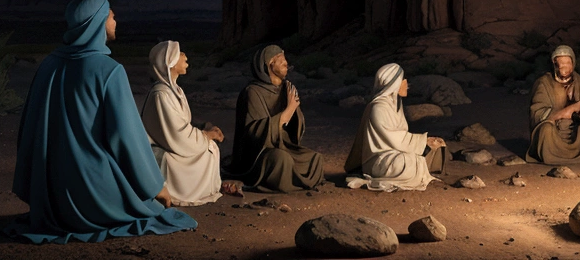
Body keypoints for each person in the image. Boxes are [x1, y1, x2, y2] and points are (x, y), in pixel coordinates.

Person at [5, 0, 197, 243]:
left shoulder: (48, 66)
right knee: (155, 211)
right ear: (97, 22)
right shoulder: (109, 70)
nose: (116, 19)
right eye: (111, 15)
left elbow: (29, 130)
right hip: (92, 195)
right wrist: (154, 185)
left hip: (51, 197)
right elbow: (127, 138)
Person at [141, 40, 235, 206]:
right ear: (170, 61)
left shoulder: (175, 90)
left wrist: (205, 131)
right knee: (209, 149)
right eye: (180, 53)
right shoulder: (161, 94)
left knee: (211, 148)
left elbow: (182, 127)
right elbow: (177, 134)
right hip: (166, 149)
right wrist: (206, 135)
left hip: (177, 143)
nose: (185, 56)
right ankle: (181, 192)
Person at [224, 45, 324, 192]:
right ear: (270, 64)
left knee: (315, 158)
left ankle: (293, 181)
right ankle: (286, 182)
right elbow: (253, 132)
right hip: (258, 152)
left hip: (282, 145)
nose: (286, 64)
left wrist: (295, 110)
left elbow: (293, 130)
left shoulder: (286, 89)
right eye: (281, 61)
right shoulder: (253, 92)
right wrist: (288, 111)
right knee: (281, 160)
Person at [344, 63, 446, 191]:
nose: (406, 83)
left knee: (425, 153)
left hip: (394, 152)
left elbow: (400, 136)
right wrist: (422, 141)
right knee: (406, 162)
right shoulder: (378, 107)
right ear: (394, 84)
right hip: (379, 159)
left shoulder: (394, 105)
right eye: (403, 80)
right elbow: (393, 137)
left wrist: (426, 143)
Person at [526, 45, 580, 165]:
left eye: (568, 63)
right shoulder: (544, 83)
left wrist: (579, 106)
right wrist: (561, 114)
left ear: (573, 63)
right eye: (561, 63)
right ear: (554, 64)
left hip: (574, 130)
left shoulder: (578, 81)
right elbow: (537, 112)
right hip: (554, 130)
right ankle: (552, 157)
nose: (565, 67)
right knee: (545, 130)